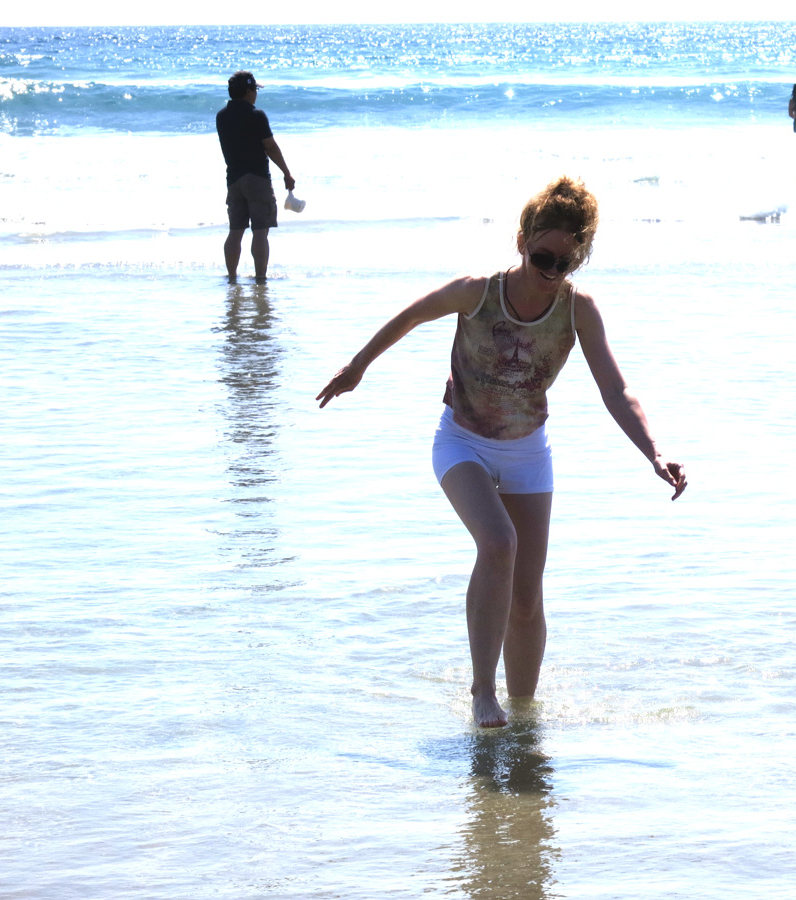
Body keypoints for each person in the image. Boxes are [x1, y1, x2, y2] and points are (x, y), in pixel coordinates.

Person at [315, 177, 688, 729]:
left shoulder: (577, 309)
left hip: (527, 452)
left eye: (566, 261)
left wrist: (655, 452)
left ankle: (523, 714)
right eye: (543, 256)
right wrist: (357, 368)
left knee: (526, 597)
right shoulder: (477, 292)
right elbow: (412, 314)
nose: (552, 270)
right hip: (461, 440)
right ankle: (482, 691)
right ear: (522, 239)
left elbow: (615, 389)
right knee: (498, 543)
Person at [216, 71, 296, 283]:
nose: (256, 94)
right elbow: (270, 146)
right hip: (257, 178)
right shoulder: (256, 115)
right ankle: (260, 278)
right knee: (260, 231)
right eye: (255, 90)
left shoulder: (221, 116)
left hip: (233, 180)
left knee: (235, 231)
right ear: (249, 91)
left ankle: (232, 278)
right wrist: (286, 173)